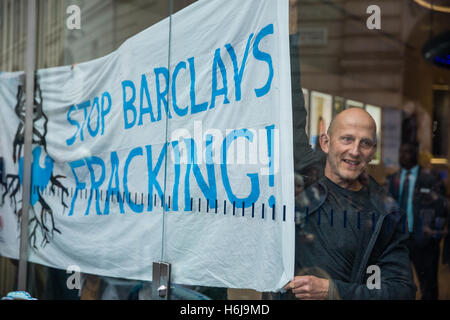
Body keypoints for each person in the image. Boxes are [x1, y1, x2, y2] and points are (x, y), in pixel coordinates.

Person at [386, 143, 447, 300]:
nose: (403, 156)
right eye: (401, 152)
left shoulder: (430, 178)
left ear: (414, 155)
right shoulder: (393, 179)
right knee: (400, 284)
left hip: (424, 241)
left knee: (428, 286)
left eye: (407, 152)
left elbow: (441, 207)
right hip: (400, 241)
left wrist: (434, 235)